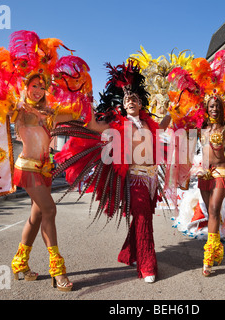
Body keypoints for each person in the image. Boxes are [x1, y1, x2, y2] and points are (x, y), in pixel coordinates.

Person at [0, 31, 92, 292]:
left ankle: (20, 262)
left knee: (36, 217)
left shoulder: (51, 113)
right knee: (50, 211)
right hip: (27, 168)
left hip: (45, 169)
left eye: (42, 86)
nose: (37, 90)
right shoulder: (18, 109)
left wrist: (83, 93)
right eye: (33, 86)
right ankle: (58, 271)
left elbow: (83, 116)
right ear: (26, 87)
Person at [54, 61, 171, 283]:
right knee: (143, 217)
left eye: (135, 98)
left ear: (141, 102)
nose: (131, 101)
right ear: (122, 104)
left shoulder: (148, 123)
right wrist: (87, 99)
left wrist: (172, 107)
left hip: (153, 179)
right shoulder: (117, 124)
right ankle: (147, 266)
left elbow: (164, 125)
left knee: (143, 218)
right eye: (127, 99)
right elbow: (92, 126)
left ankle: (130, 253)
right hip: (135, 178)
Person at [197, 95, 225, 276]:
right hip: (204, 172)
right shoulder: (201, 127)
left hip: (222, 171)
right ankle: (218, 249)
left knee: (213, 209)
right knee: (212, 212)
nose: (214, 109)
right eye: (211, 106)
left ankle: (208, 257)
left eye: (218, 106)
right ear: (206, 107)